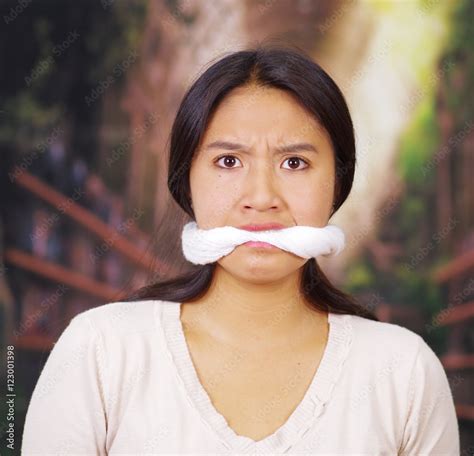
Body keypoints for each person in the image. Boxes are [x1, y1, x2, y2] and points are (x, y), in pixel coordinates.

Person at [21, 44, 460, 455]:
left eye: (295, 163)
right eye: (229, 162)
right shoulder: (100, 350)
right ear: (186, 181)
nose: (261, 197)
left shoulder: (404, 372)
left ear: (337, 184)